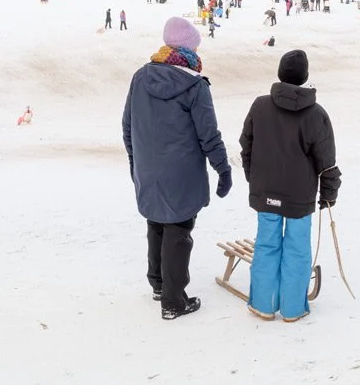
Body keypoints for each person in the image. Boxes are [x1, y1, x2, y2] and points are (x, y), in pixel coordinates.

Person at [121, 16, 232, 321]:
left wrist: (136, 162)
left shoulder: (141, 77)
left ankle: (158, 285)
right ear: (189, 50)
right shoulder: (195, 85)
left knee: (156, 222)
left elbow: (128, 126)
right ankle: (173, 300)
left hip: (149, 169)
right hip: (181, 173)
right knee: (179, 229)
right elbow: (208, 135)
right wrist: (223, 170)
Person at [238, 50, 341, 323]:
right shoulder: (316, 114)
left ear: (280, 74)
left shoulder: (260, 106)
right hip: (299, 197)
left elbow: (245, 146)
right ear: (305, 77)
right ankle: (294, 309)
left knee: (267, 245)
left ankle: (263, 304)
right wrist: (329, 195)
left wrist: (255, 178)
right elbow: (327, 163)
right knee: (296, 248)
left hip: (267, 193)